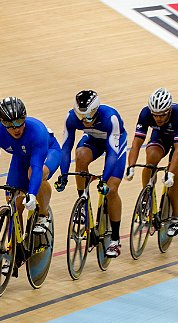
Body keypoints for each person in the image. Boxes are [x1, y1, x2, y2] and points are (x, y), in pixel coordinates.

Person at [54, 90, 127, 257]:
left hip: (114, 142)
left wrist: (105, 179)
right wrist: (63, 174)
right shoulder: (71, 118)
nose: (84, 121)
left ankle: (115, 240)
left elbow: (113, 153)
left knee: (112, 189)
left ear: (95, 111)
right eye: (81, 117)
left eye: (88, 117)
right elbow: (66, 148)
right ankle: (83, 203)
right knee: (80, 157)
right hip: (93, 140)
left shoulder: (110, 118)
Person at [0, 96, 61, 235]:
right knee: (13, 201)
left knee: (35, 174)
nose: (16, 128)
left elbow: (36, 166)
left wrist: (31, 194)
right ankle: (17, 248)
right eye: (10, 124)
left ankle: (44, 215)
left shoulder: (37, 131)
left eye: (19, 122)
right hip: (21, 158)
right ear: (2, 123)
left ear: (24, 117)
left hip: (48, 153)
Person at [125, 87, 178, 237]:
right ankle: (147, 197)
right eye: (155, 115)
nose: (158, 119)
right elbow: (136, 143)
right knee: (151, 158)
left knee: (174, 178)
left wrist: (171, 174)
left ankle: (175, 217)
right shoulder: (145, 113)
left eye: (162, 115)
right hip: (161, 136)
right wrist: (131, 166)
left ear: (168, 110)